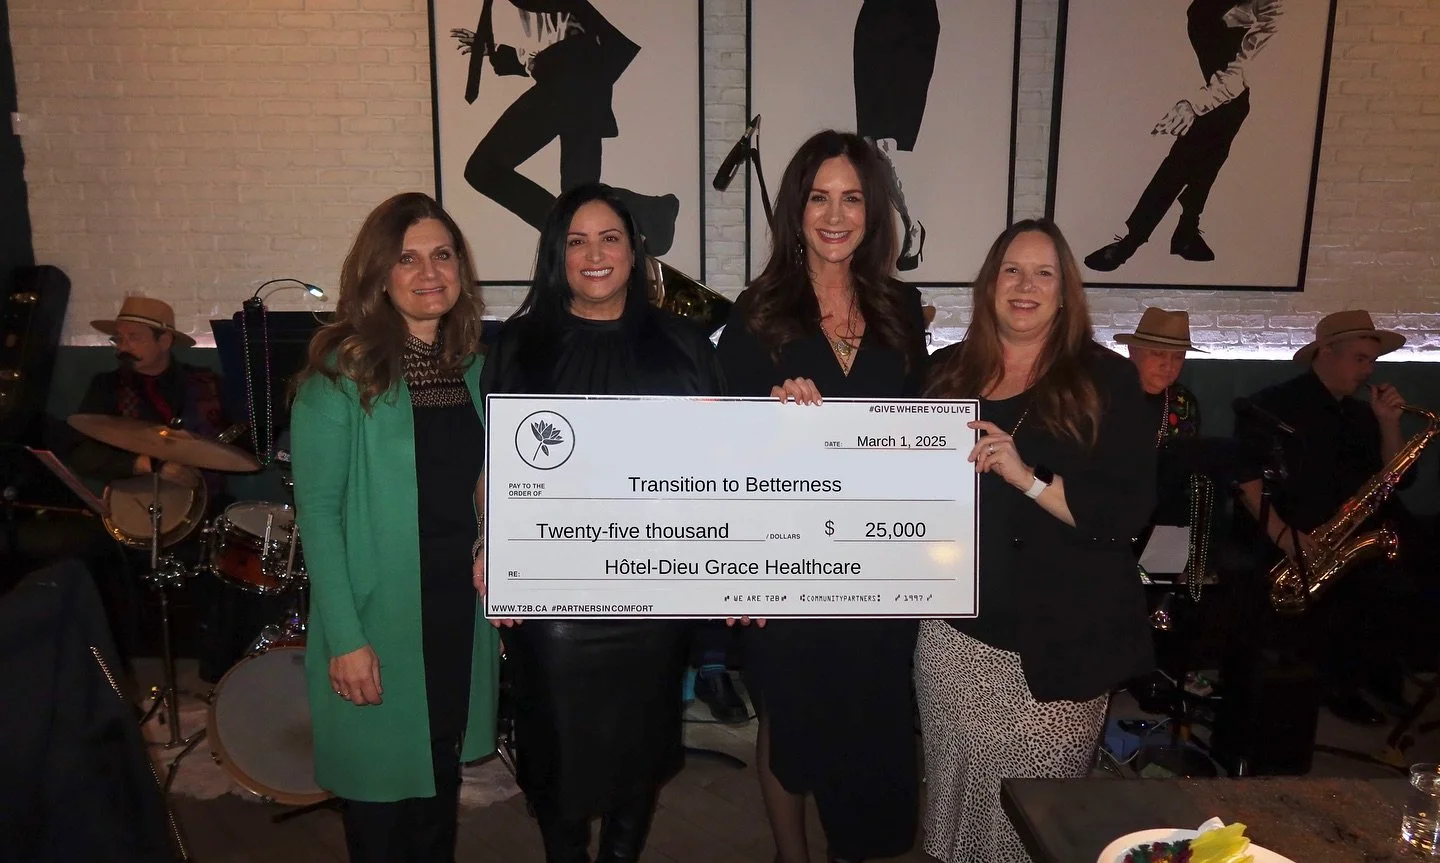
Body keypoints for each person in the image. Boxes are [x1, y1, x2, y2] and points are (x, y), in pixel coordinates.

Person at [478, 182, 723, 863]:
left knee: (639, 749)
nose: (594, 254)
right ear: (556, 255)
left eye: (609, 238)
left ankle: (618, 855)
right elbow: (493, 467)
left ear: (634, 250)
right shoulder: (518, 345)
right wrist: (488, 543)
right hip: (555, 593)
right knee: (556, 750)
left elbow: (719, 467)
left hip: (653, 593)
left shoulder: (684, 345)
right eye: (576, 240)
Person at [716, 129, 928, 863]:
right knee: (792, 710)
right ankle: (791, 854)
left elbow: (917, 434)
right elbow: (724, 448)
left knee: (871, 709)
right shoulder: (757, 311)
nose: (835, 215)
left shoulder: (903, 309)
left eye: (852, 198)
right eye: (818, 197)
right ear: (795, 209)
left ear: (873, 212)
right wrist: (772, 417)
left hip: (877, 562)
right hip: (785, 555)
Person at [919, 219, 1156, 863]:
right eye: (1011, 271)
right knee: (955, 809)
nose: (1025, 286)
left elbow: (1125, 511)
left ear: (1064, 291)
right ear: (989, 283)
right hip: (954, 640)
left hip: (1058, 645)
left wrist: (1027, 478)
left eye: (1043, 273)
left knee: (1033, 822)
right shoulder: (945, 372)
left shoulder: (1104, 380)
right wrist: (801, 411)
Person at [289, 192, 499, 861]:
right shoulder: (341, 372)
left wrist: (493, 542)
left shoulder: (468, 366)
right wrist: (344, 637)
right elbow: (317, 513)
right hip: (378, 617)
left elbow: (481, 480)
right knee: (380, 808)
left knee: (437, 788)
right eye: (408, 258)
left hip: (452, 611)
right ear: (380, 273)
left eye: (443, 254)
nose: (429, 270)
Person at [1231, 310, 1421, 726]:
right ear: (1326, 353)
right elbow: (1244, 476)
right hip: (1288, 532)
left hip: (1345, 534)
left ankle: (1373, 678)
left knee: (1399, 580)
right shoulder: (1272, 405)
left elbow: (1396, 481)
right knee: (1350, 594)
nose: (1368, 370)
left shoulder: (1359, 415)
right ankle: (1338, 687)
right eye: (1359, 359)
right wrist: (1283, 535)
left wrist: (1389, 425)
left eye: (1372, 361)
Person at [66, 296, 259, 681]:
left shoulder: (208, 386)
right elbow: (82, 455)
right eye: (118, 339)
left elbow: (247, 449)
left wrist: (210, 450)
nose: (123, 347)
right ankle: (108, 676)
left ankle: (216, 676)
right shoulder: (105, 387)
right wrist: (146, 463)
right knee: (86, 556)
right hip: (129, 504)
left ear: (165, 341)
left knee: (238, 550)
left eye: (134, 338)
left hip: (202, 504)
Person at [451, 0, 680, 255]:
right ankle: (646, 211)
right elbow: (554, 47)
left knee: (484, 169)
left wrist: (576, 72)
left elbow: (608, 46)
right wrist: (495, 49)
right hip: (571, 87)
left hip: (572, 88)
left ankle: (577, 227)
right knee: (577, 195)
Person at [1085, 0, 1282, 271]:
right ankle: (1185, 231)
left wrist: (1196, 104)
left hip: (1226, 93)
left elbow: (1242, 71)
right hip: (1215, 91)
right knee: (1206, 157)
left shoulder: (1274, 7)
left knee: (1181, 161)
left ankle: (1134, 241)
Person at [853, 0, 939, 271]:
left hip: (908, 28)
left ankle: (910, 226)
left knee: (890, 141)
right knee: (869, 143)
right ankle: (902, 227)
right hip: (875, 23)